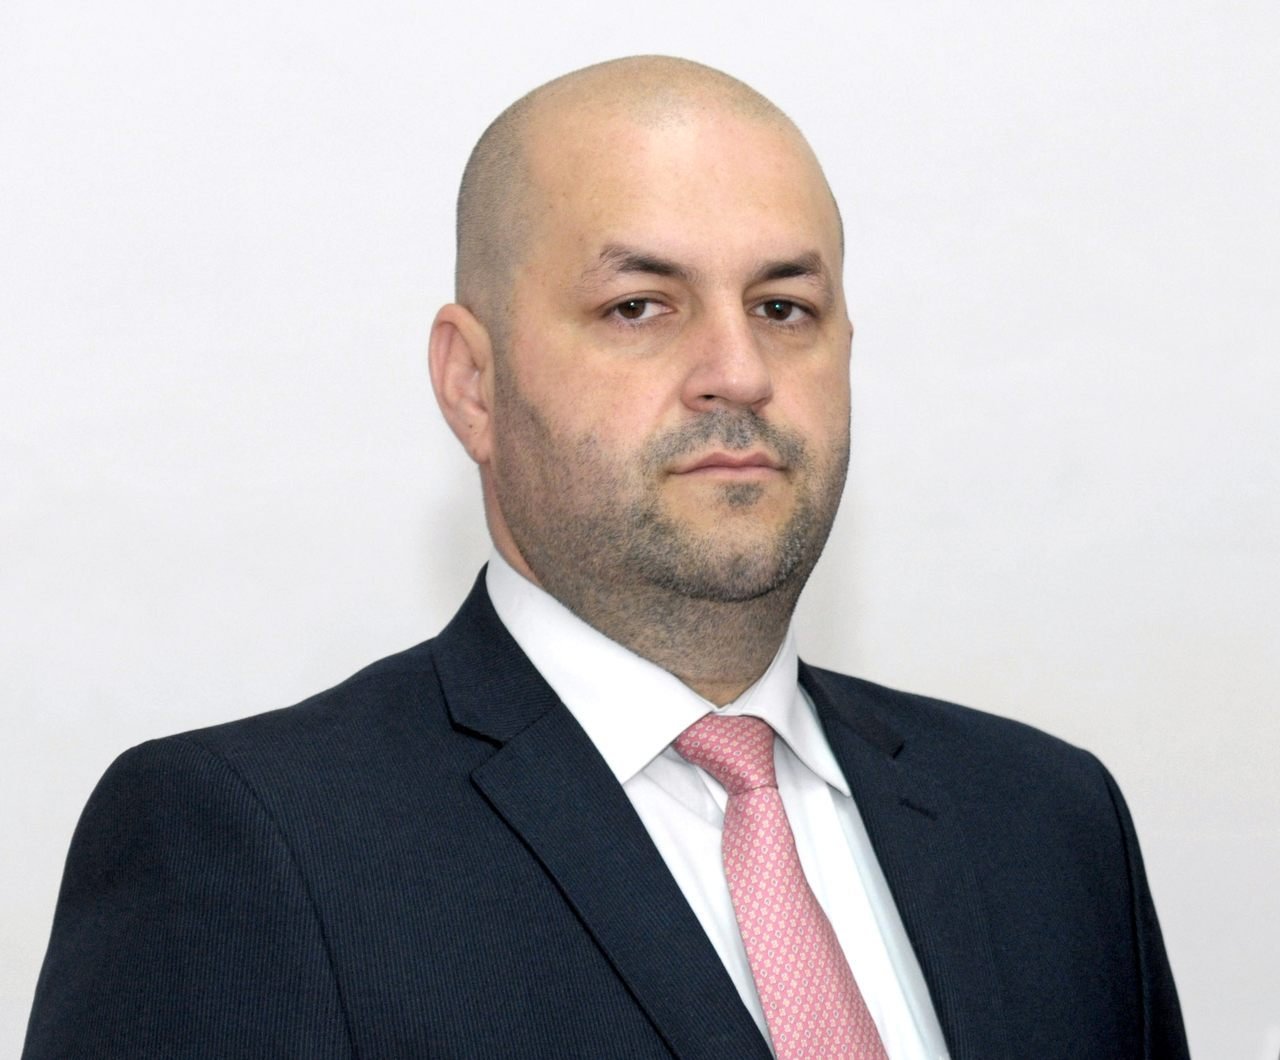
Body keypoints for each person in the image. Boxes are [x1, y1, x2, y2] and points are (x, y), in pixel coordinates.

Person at [23, 56, 1189, 1059]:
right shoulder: (248, 846)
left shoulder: (1046, 823)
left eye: (782, 307)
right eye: (638, 306)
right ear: (471, 383)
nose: (736, 372)